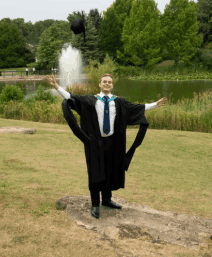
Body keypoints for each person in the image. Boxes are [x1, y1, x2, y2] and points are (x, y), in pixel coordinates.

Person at [46, 73, 168, 219]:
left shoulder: (119, 102)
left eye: (110, 82)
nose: (107, 84)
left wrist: (155, 104)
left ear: (112, 85)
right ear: (99, 84)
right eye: (104, 82)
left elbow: (137, 108)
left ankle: (107, 200)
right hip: (94, 142)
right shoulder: (89, 100)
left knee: (110, 170)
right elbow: (71, 97)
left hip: (113, 142)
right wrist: (57, 87)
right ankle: (95, 204)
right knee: (95, 171)